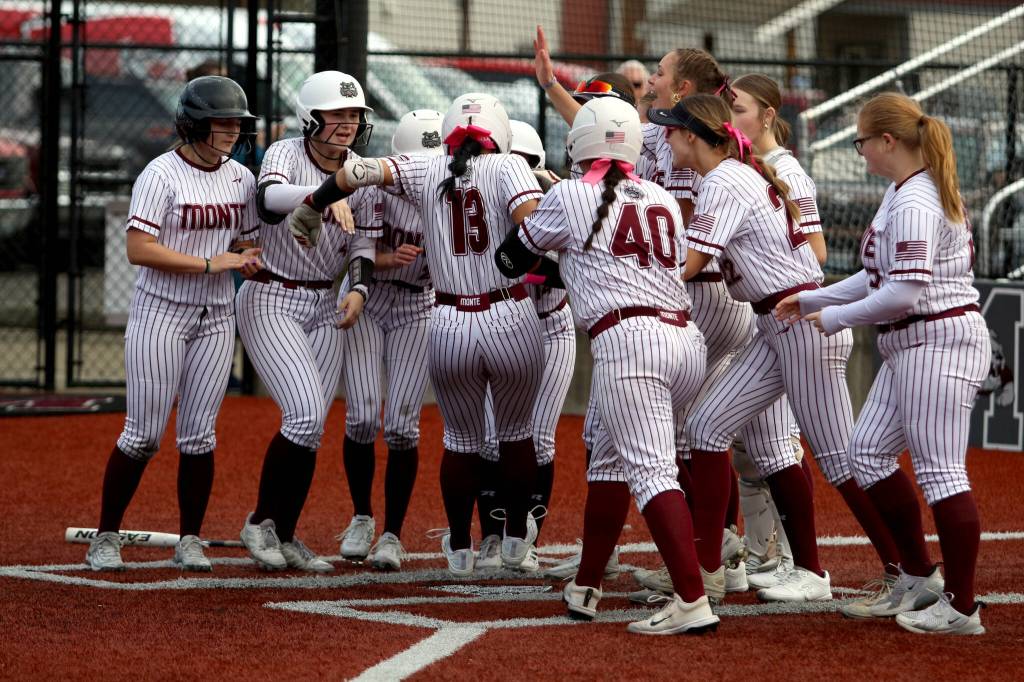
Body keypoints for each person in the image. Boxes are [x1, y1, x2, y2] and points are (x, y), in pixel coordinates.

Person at [292, 93, 546, 577]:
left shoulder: (428, 166)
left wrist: (314, 202)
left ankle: (458, 546)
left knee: (460, 440)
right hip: (508, 312)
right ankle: (515, 542)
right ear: (499, 133)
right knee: (515, 435)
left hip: (448, 318)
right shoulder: (509, 166)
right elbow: (531, 230)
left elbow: (357, 173)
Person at [496, 96, 717, 635]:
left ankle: (693, 599)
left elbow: (510, 257)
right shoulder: (661, 194)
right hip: (683, 337)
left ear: (582, 143)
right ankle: (587, 584)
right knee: (611, 462)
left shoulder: (571, 191)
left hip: (630, 340)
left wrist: (550, 233)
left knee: (651, 472)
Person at [776, 92, 991, 634]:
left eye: (862, 141)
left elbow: (904, 293)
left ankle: (962, 607)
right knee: (866, 455)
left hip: (935, 340)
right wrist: (815, 297)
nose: (861, 151)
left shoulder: (916, 198)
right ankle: (919, 577)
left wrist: (835, 318)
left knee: (942, 473)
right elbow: (879, 281)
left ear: (888, 141)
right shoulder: (905, 192)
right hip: (913, 343)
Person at [85, 76, 262, 572]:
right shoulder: (160, 174)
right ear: (193, 124)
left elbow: (247, 243)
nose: (231, 131)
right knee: (143, 435)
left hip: (216, 317)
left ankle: (190, 538)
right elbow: (138, 248)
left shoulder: (241, 178)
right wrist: (210, 264)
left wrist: (246, 259)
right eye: (221, 122)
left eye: (236, 123)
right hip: (161, 313)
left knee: (200, 436)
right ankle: (105, 536)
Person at [236, 70, 381, 572]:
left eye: (353, 114)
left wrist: (359, 288)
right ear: (310, 117)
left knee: (311, 425)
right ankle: (259, 522)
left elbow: (365, 241)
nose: (346, 123)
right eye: (336, 114)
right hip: (272, 295)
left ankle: (287, 531)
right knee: (301, 414)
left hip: (324, 304)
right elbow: (269, 200)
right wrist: (325, 193)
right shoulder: (284, 152)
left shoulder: (363, 168)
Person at [337, 109, 442, 570]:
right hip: (369, 297)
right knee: (361, 417)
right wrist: (384, 259)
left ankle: (393, 534)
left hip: (417, 305)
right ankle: (361, 516)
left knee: (402, 425)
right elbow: (355, 252)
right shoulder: (376, 186)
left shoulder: (451, 192)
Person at [476, 119, 576, 572]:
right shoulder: (478, 201)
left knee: (539, 439)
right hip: (503, 326)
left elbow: (555, 265)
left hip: (551, 326)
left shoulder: (560, 201)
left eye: (525, 167)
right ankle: (491, 538)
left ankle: (526, 538)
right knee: (490, 438)